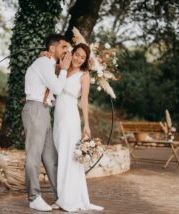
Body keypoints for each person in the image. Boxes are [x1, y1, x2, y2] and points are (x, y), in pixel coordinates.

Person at [22, 34, 72, 212]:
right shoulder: (43, 63)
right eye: (63, 47)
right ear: (53, 48)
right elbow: (57, 89)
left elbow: (58, 75)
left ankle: (63, 196)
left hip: (44, 111)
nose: (66, 51)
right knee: (33, 156)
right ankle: (34, 197)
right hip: (35, 109)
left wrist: (63, 67)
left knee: (51, 159)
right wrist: (64, 68)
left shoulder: (49, 64)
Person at [53, 43, 104, 212]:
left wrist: (86, 125)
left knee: (69, 157)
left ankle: (67, 200)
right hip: (58, 115)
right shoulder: (63, 68)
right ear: (72, 53)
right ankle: (63, 196)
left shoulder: (84, 75)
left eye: (83, 57)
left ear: (85, 60)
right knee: (62, 156)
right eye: (77, 54)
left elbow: (84, 100)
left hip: (70, 116)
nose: (79, 59)